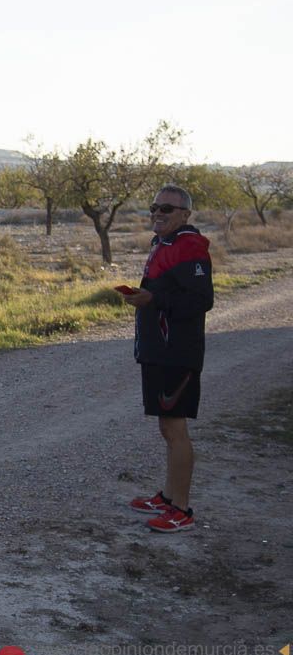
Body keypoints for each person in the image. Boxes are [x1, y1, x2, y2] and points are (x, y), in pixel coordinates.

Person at [120, 184, 213, 533]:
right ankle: (168, 497)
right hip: (159, 351)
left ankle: (182, 511)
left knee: (176, 430)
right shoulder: (165, 243)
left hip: (177, 354)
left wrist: (153, 301)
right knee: (166, 427)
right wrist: (146, 297)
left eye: (167, 209)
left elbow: (202, 301)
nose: (158, 213)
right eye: (154, 207)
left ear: (185, 215)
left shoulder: (190, 247)